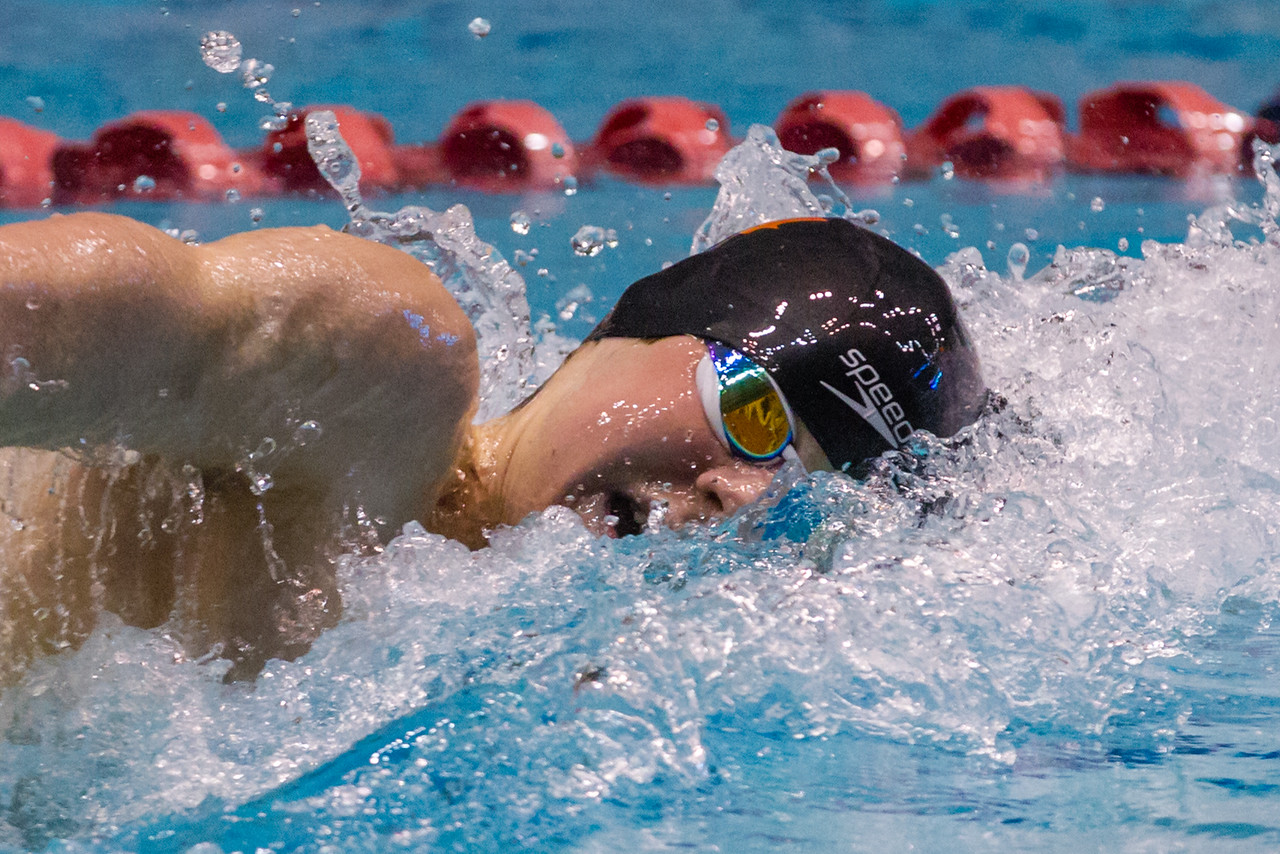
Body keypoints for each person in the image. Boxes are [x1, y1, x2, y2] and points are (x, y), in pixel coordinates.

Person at [0, 213, 984, 680]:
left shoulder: (565, 699)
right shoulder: (377, 370)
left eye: (793, 495)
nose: (738, 494)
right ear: (634, 324)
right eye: (754, 414)